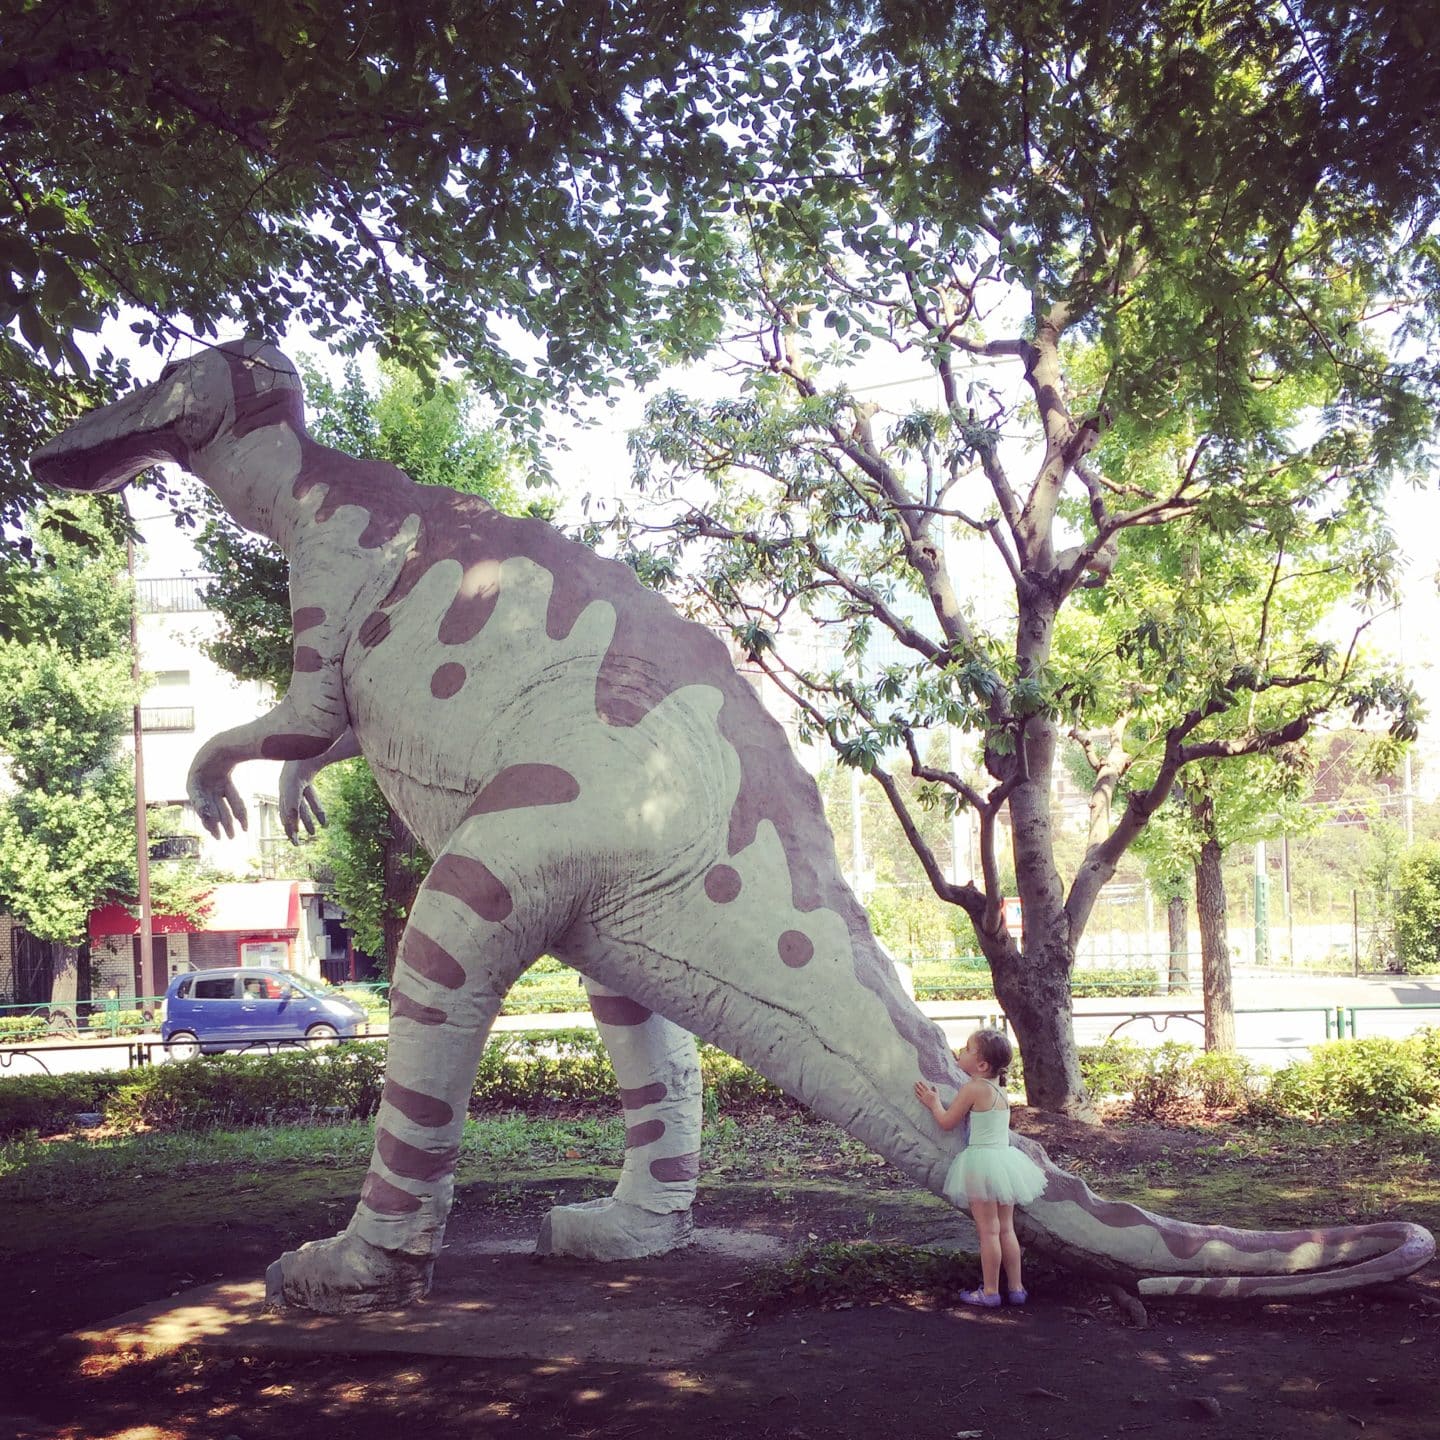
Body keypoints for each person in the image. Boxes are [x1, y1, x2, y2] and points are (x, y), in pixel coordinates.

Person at [915, 1027, 1047, 1308]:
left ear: (982, 1064)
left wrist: (933, 1102)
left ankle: (989, 1291)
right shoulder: (999, 1090)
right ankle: (1016, 1288)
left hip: (981, 1164)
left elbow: (947, 1121)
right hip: (1005, 1162)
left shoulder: (973, 1088)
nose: (961, 1052)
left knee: (988, 1231)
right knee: (1006, 1229)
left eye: (967, 1049)